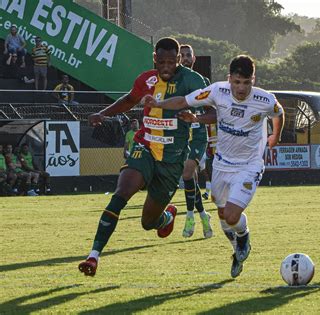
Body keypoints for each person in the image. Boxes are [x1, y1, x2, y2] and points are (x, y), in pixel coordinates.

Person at [143, 54, 285, 278]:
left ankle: (244, 237)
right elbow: (183, 101)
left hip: (249, 165)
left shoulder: (265, 100)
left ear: (253, 80)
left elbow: (279, 113)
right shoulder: (217, 91)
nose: (241, 88)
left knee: (230, 215)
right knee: (221, 213)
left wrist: (275, 135)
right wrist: (159, 103)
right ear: (229, 79)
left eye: (246, 83)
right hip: (222, 163)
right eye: (237, 82)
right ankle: (238, 250)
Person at [78, 37, 209, 277]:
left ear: (179, 60)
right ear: (155, 60)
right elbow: (129, 100)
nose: (166, 67)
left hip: (172, 160)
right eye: (162, 62)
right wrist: (102, 113)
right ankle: (93, 256)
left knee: (148, 222)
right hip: (144, 146)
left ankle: (167, 216)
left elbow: (211, 109)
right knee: (121, 193)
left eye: (171, 61)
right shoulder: (146, 79)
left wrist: (197, 118)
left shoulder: (193, 80)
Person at [179, 44, 213, 239]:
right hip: (180, 135)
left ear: (194, 59)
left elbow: (211, 111)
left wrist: (197, 117)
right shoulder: (174, 82)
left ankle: (190, 216)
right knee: (189, 178)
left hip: (198, 135)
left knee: (187, 172)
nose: (184, 58)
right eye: (181, 55)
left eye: (187, 55)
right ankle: (203, 215)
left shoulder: (204, 82)